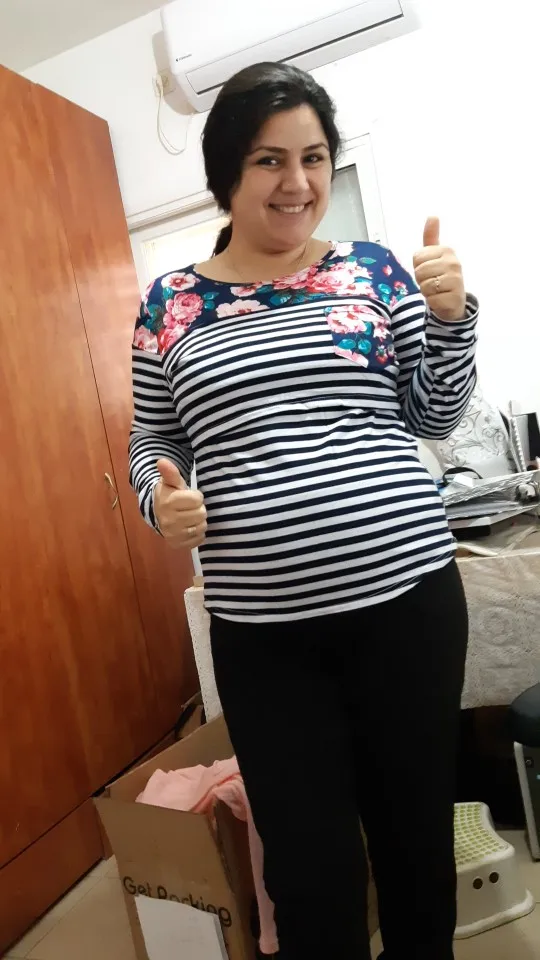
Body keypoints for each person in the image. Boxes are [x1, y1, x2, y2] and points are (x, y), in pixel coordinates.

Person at [129, 62, 478, 960]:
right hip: (264, 635)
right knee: (308, 868)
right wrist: (159, 501)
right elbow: (151, 439)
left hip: (407, 608)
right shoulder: (170, 304)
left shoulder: (371, 270)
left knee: (414, 840)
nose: (297, 182)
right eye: (269, 160)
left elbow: (433, 414)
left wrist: (451, 319)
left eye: (314, 157)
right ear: (227, 172)